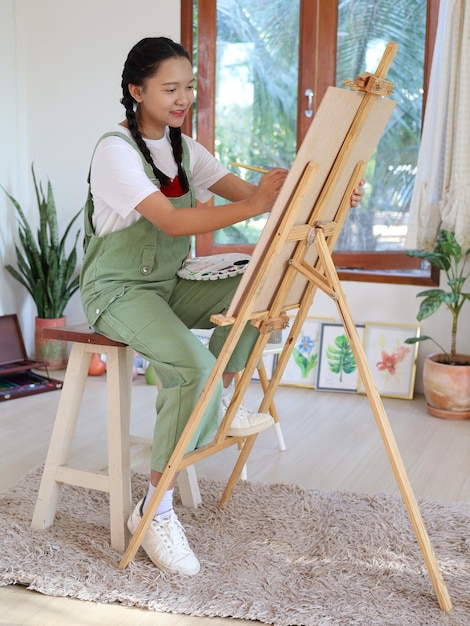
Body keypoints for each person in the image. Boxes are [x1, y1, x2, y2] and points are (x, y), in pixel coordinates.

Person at [80, 36, 363, 577]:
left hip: (169, 282)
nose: (185, 96)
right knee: (191, 367)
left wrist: (329, 192)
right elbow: (171, 220)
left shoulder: (187, 149)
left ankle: (222, 395)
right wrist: (255, 203)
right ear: (137, 91)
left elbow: (268, 199)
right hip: (116, 291)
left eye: (189, 86)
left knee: (260, 283)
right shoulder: (114, 151)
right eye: (170, 88)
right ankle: (155, 509)